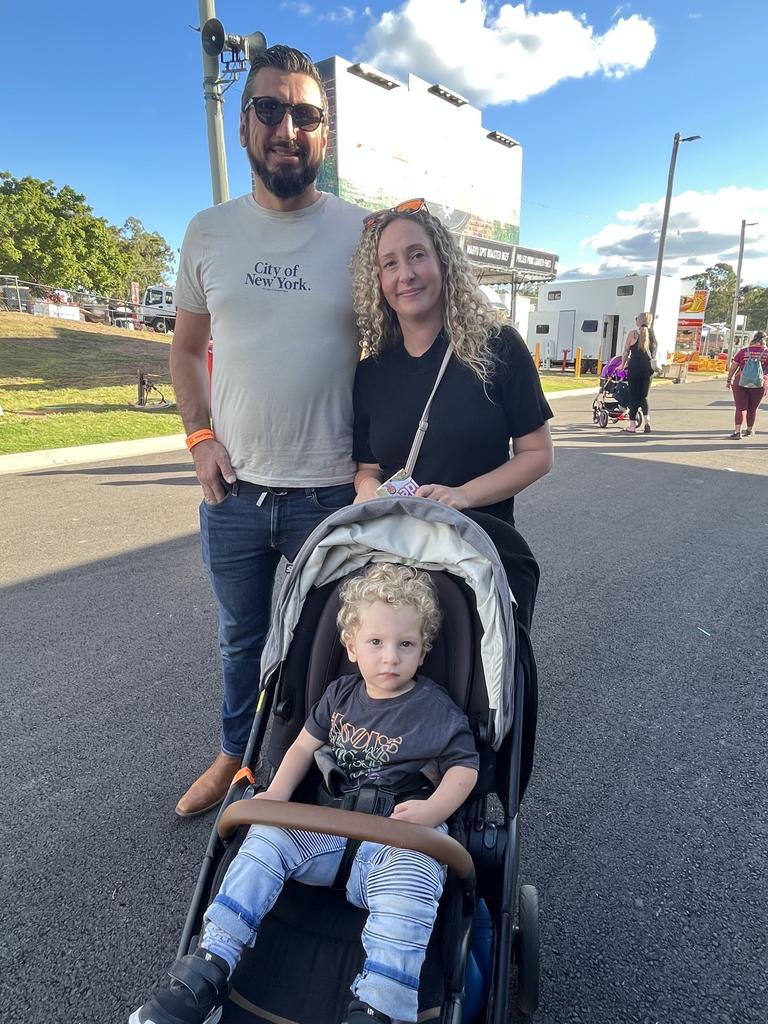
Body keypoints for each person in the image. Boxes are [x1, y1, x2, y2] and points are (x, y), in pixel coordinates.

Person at [130, 563, 479, 1024]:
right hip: (323, 827)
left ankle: (382, 1005)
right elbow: (301, 747)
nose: (390, 657)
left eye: (406, 645)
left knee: (416, 878)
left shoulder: (435, 709)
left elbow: (465, 769)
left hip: (395, 839)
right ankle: (209, 968)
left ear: (424, 650)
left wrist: (432, 810)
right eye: (376, 643)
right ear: (351, 647)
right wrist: (275, 794)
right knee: (264, 841)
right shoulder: (338, 695)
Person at [170, 46, 366, 817]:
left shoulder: (361, 233)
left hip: (332, 490)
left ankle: (319, 775)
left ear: (324, 134)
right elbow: (185, 351)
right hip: (237, 491)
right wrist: (199, 438)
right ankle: (233, 757)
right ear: (245, 122)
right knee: (239, 644)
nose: (289, 127)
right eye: (272, 111)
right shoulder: (208, 232)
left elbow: (396, 349)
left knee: (337, 648)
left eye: (306, 115)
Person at [349, 199, 554, 631]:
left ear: (443, 263)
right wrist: (367, 490)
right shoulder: (371, 373)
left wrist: (463, 496)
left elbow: (537, 453)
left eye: (417, 255)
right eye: (389, 264)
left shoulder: (498, 348)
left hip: (480, 551)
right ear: (378, 281)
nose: (405, 274)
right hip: (396, 559)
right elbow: (367, 467)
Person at [619, 311, 657, 433]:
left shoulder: (633, 334)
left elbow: (626, 352)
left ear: (638, 321)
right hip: (648, 369)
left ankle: (632, 426)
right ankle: (647, 422)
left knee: (634, 397)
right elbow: (654, 350)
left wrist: (622, 365)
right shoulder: (652, 334)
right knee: (644, 396)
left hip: (634, 368)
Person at [726, 330, 768, 438]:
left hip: (741, 382)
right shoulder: (767, 352)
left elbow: (733, 367)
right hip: (760, 383)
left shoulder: (743, 351)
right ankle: (749, 431)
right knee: (752, 409)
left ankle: (737, 432)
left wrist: (729, 380)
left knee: (740, 408)